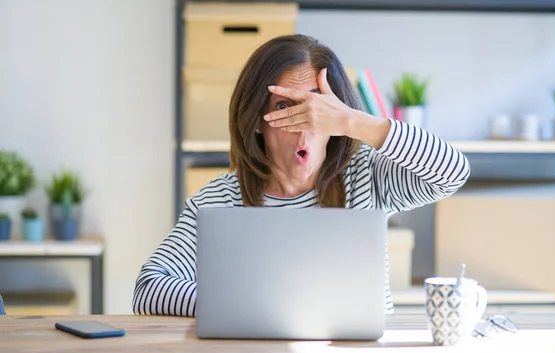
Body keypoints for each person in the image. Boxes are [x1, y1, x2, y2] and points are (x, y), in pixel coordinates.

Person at [132, 34, 470, 316]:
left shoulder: (366, 176)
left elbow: (452, 172)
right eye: (285, 107)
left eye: (318, 107)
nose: (306, 123)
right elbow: (149, 290)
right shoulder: (219, 199)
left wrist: (352, 121)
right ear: (256, 121)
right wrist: (256, 306)